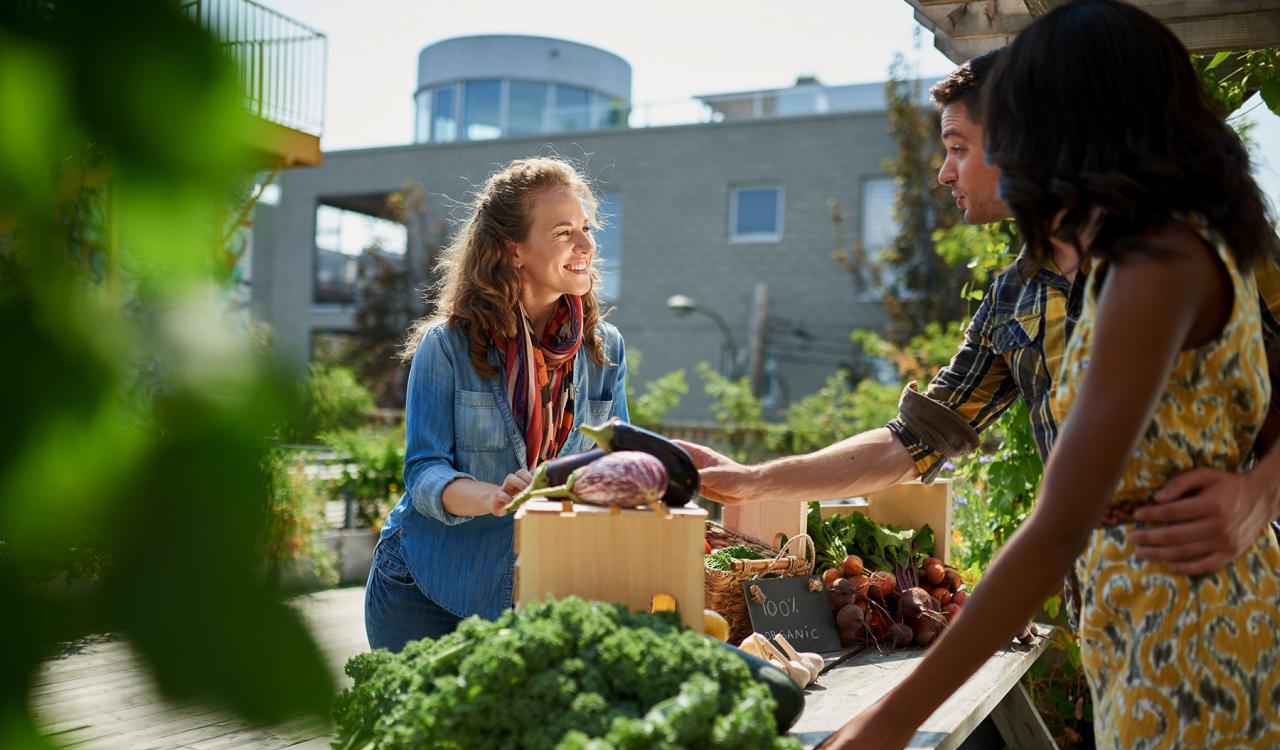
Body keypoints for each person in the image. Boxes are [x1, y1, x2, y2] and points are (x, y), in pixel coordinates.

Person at [811, 2, 1280, 750]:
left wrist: (893, 720)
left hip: (1192, 635)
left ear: (1076, 120)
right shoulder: (1154, 253)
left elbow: (1058, 522)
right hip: (1156, 620)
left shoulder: (1153, 263)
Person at [677, 48, 1280, 581]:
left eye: (958, 148)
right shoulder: (1012, 297)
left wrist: (1261, 491)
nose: (943, 173)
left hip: (1227, 596)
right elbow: (912, 443)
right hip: (1101, 604)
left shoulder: (1195, 253)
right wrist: (752, 480)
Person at [364, 157, 629, 652]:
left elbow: (617, 462)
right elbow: (424, 472)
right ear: (513, 250)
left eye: (587, 229)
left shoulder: (604, 350)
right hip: (428, 590)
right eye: (563, 232)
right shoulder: (446, 347)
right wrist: (493, 497)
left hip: (543, 592)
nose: (587, 246)